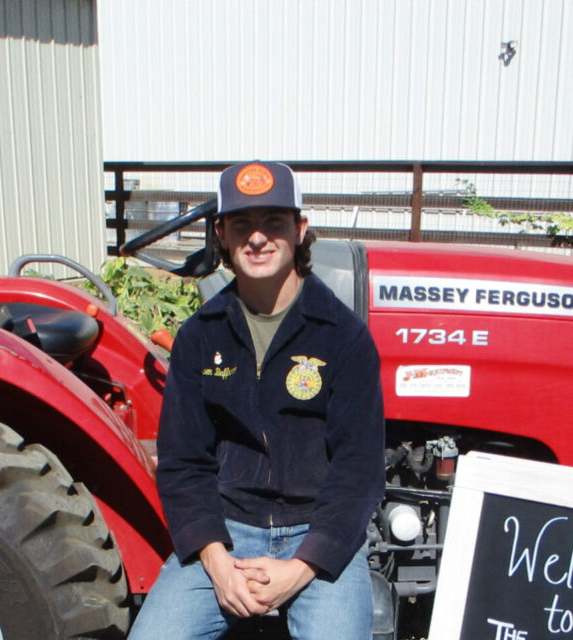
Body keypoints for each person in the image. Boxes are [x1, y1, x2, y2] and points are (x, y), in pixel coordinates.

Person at [129, 161, 385, 640]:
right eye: (242, 224)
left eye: (274, 222)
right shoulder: (200, 336)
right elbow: (184, 464)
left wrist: (302, 567)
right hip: (228, 533)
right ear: (221, 233)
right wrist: (217, 562)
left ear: (300, 230)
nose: (258, 238)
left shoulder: (344, 337)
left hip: (319, 533)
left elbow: (359, 471)